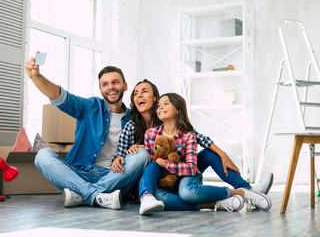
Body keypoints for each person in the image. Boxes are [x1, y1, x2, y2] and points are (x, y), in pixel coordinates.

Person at [112, 80, 273, 214]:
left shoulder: (169, 121)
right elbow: (123, 157)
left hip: (184, 170)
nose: (139, 95)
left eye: (144, 91)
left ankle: (248, 189)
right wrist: (132, 152)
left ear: (155, 98)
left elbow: (197, 138)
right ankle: (214, 203)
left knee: (208, 155)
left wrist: (222, 154)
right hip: (158, 178)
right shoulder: (135, 128)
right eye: (135, 93)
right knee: (160, 183)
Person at [25, 55, 149, 209]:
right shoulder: (90, 106)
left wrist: (136, 149)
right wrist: (36, 76)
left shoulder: (134, 119)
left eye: (115, 82)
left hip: (113, 176)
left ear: (124, 86)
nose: (110, 87)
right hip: (77, 173)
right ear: (101, 89)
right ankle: (98, 195)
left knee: (143, 155)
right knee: (42, 156)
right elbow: (59, 96)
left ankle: (80, 195)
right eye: (105, 84)